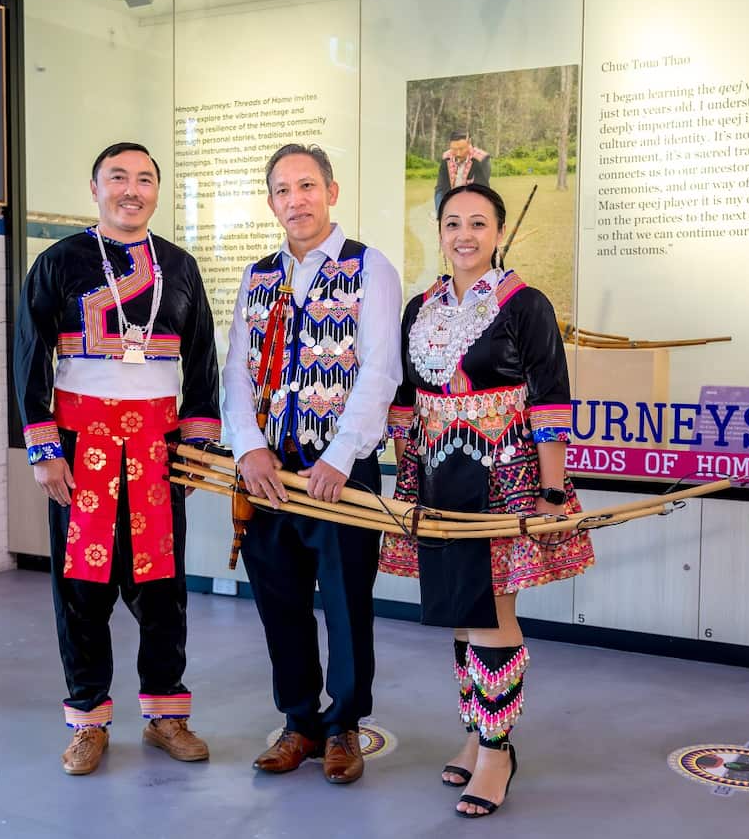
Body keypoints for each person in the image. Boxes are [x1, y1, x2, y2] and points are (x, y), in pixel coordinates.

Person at [380, 183, 594, 817]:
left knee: (492, 610)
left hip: (504, 474)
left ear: (498, 231)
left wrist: (552, 492)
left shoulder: (525, 304)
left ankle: (498, 750)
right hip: (438, 472)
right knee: (459, 605)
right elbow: (402, 398)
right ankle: (475, 733)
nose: (464, 234)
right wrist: (405, 474)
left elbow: (551, 398)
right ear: (439, 232)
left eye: (478, 223)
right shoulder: (421, 305)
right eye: (452, 223)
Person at [14, 141, 221, 775]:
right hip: (82, 453)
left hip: (157, 455)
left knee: (163, 590)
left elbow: (204, 362)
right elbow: (28, 357)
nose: (132, 189)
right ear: (95, 187)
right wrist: (45, 451)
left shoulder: (181, 269)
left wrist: (193, 445)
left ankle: (165, 716)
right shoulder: (59, 263)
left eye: (145, 179)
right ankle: (88, 719)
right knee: (81, 590)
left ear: (157, 191)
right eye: (118, 177)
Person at [223, 144, 402, 785]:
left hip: (338, 473)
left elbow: (381, 371)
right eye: (281, 189)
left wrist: (339, 456)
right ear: (271, 201)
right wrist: (247, 446)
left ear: (332, 190)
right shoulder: (259, 276)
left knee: (348, 604)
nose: (294, 199)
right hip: (269, 474)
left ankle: (345, 728)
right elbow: (236, 374)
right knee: (280, 602)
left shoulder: (369, 268)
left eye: (306, 185)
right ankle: (299, 723)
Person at [434, 132, 491, 214]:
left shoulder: (481, 159)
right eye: (454, 149)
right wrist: (441, 211)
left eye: (461, 149)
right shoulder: (446, 157)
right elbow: (441, 188)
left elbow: (482, 190)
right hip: (451, 205)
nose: (458, 153)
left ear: (469, 143)